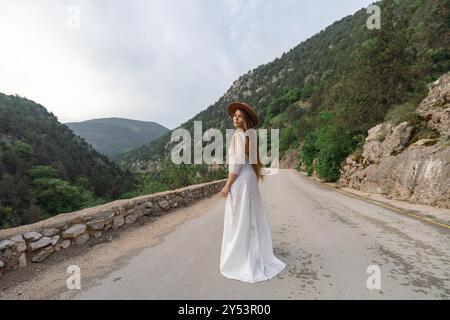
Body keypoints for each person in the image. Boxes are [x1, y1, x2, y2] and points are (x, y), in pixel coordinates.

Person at [219, 102, 286, 283]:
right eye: (235, 115)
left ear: (245, 119)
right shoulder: (248, 136)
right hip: (248, 178)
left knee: (239, 217)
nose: (236, 118)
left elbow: (237, 163)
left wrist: (227, 185)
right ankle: (252, 253)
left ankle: (243, 258)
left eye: (240, 116)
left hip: (241, 179)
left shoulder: (240, 135)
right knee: (249, 216)